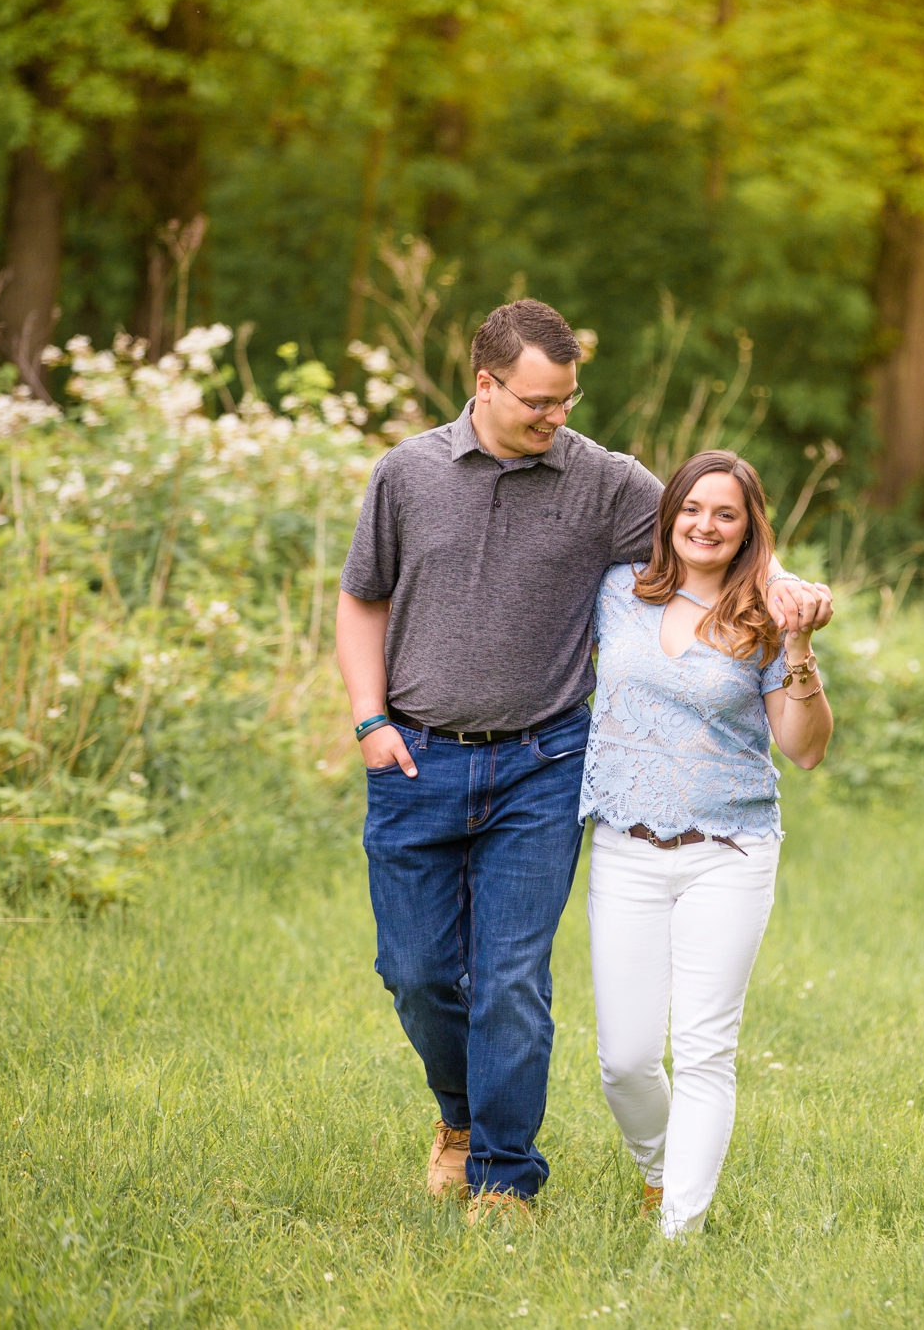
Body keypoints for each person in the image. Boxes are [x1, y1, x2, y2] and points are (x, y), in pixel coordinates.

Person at [335, 300, 830, 1222]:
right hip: (416, 759)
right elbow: (363, 599)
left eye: (568, 399)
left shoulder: (602, 479)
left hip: (543, 761)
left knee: (513, 976)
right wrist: (370, 719)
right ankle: (459, 1118)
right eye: (538, 401)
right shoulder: (405, 475)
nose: (557, 417)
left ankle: (503, 1176)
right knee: (416, 971)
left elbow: (711, 529)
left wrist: (788, 588)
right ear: (484, 385)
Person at [582, 449, 833, 1238]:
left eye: (727, 513)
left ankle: (679, 1232)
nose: (706, 525)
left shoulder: (765, 614)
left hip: (729, 849)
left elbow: (806, 747)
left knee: (702, 1048)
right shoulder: (615, 591)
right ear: (670, 514)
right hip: (624, 843)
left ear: (749, 528)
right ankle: (663, 1172)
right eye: (693, 508)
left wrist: (797, 650)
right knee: (623, 1059)